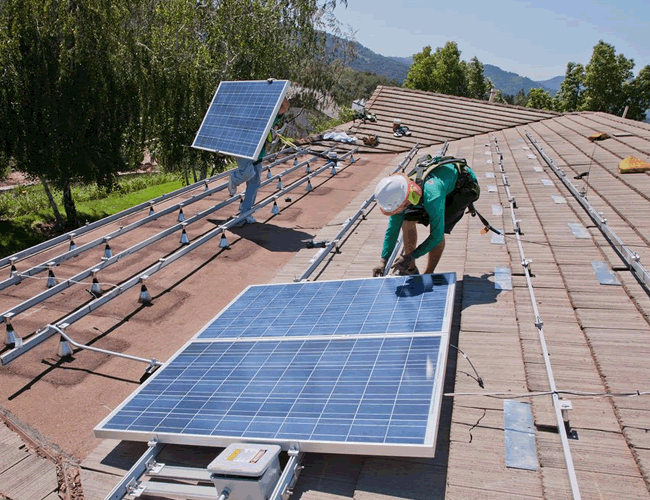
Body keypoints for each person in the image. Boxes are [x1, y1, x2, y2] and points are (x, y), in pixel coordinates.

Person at [372, 156, 480, 277]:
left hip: (461, 188)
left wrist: (410, 256)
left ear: (405, 199)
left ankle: (429, 272)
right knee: (406, 221)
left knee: (440, 229)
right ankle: (411, 268)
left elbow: (436, 236)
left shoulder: (432, 195)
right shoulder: (399, 193)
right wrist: (383, 261)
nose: (398, 211)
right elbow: (393, 229)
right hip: (435, 186)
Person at [228, 97, 290, 224]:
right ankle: (234, 179)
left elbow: (284, 108)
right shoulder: (242, 117)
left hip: (258, 153)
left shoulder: (269, 117)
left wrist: (281, 93)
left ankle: (246, 212)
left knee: (254, 184)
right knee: (248, 173)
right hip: (243, 150)